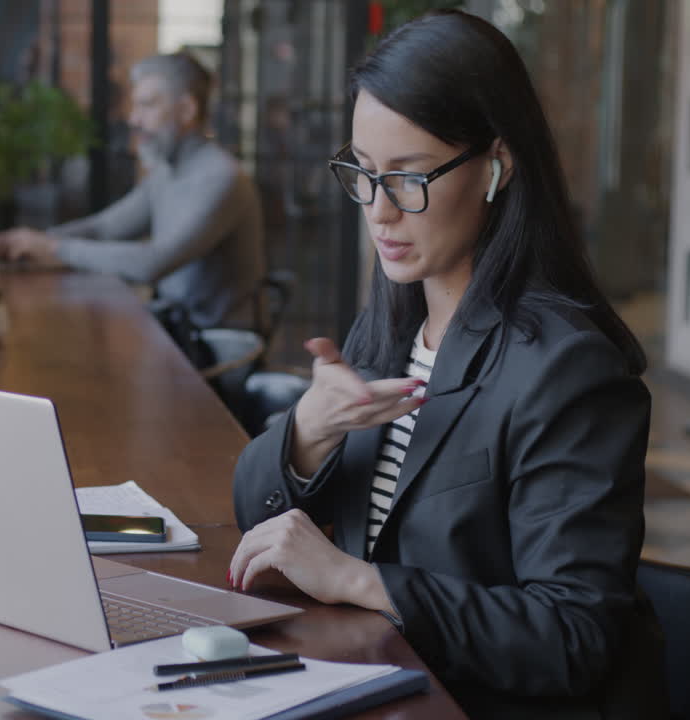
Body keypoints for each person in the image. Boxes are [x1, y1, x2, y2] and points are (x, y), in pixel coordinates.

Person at [227, 11, 667, 719]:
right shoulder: (391, 321)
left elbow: (570, 637)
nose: (379, 212)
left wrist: (360, 580)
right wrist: (309, 432)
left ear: (497, 165)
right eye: (363, 174)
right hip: (376, 680)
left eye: (408, 178)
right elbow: (264, 529)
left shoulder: (568, 370)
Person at [0, 52, 265, 333]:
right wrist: (25, 243)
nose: (134, 119)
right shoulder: (166, 172)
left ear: (186, 110)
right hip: (176, 333)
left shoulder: (220, 177)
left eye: (147, 105)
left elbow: (153, 262)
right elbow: (104, 227)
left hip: (219, 348)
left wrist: (52, 248)